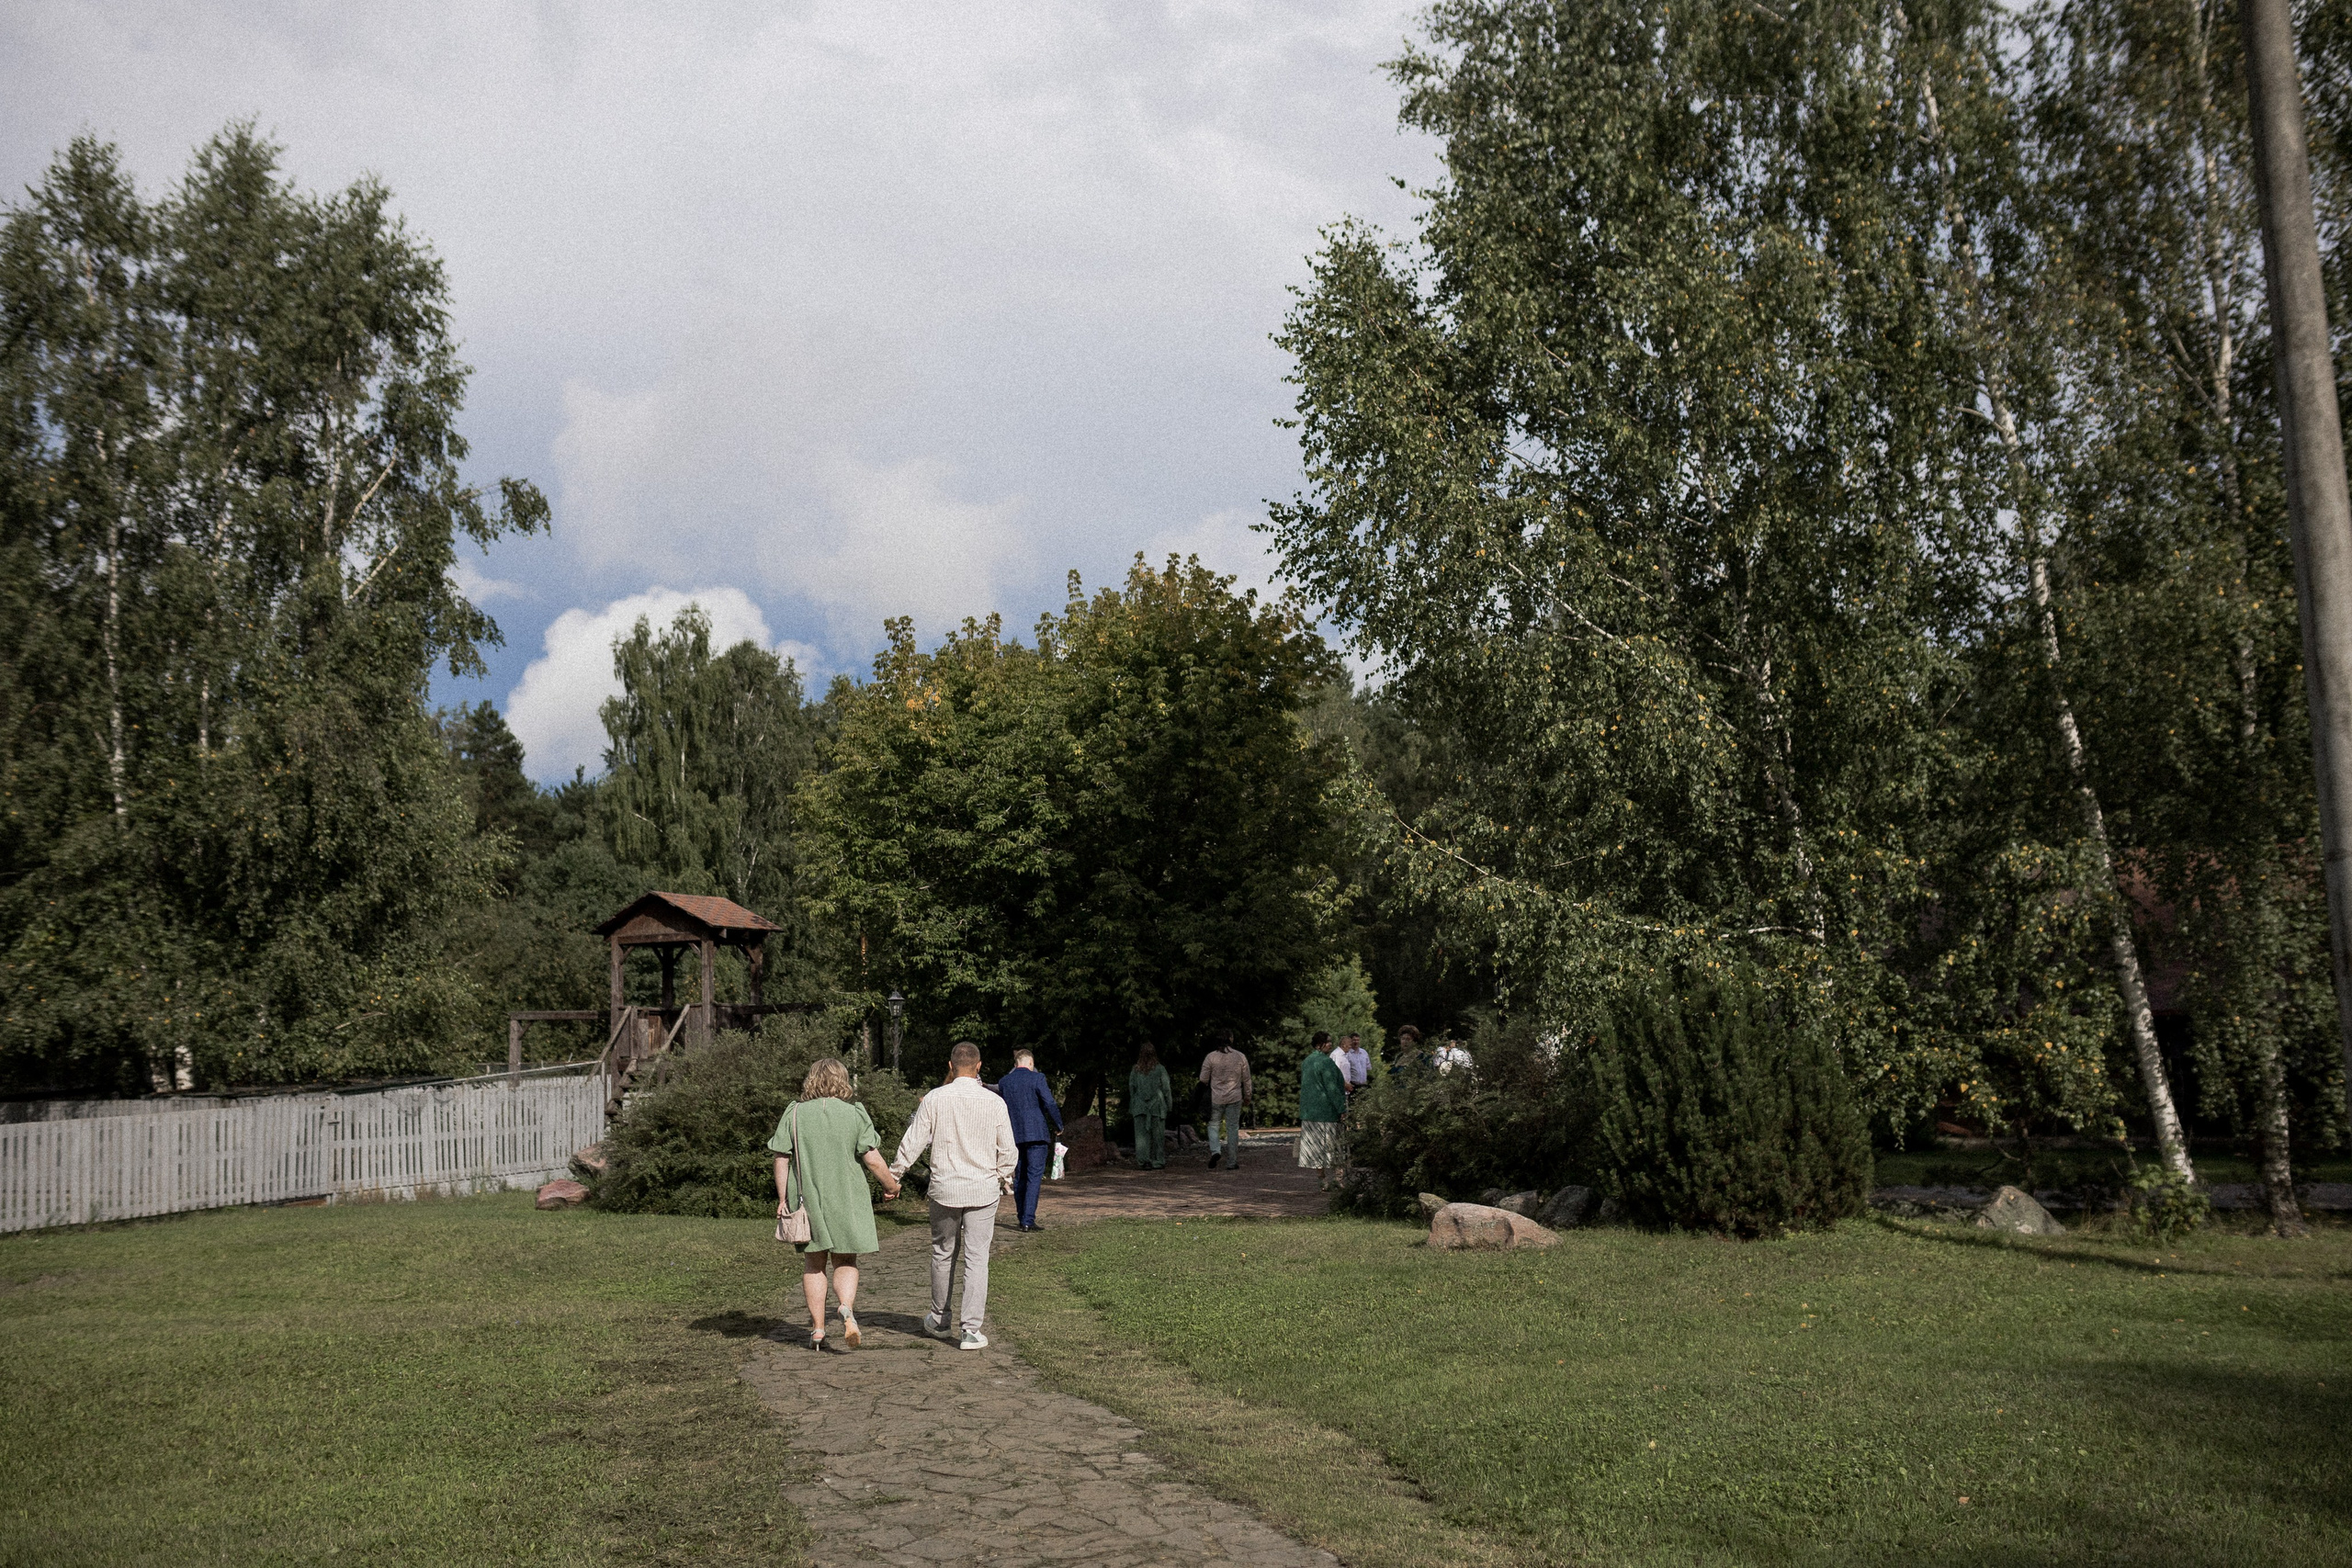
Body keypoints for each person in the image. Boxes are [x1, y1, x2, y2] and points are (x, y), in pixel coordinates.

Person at [768, 1056, 900, 1354]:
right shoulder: (855, 1114)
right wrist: (891, 1186)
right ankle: (845, 1308)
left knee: (814, 1263)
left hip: (806, 1198)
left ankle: (817, 1329)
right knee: (846, 1261)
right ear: (843, 1081)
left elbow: (781, 1158)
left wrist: (781, 1199)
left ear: (811, 1081)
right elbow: (872, 1158)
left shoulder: (795, 1113)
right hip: (848, 1197)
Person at [890, 1041, 1017, 1350]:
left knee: (943, 1252)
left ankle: (939, 1318)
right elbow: (1009, 1150)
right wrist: (1003, 1176)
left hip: (945, 1187)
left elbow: (914, 1139)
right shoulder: (994, 1102)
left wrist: (894, 1175)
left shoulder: (935, 1099)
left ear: (950, 1066)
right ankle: (971, 1329)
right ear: (978, 1066)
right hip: (983, 1189)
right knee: (977, 1258)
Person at [995, 1047, 1063, 1232]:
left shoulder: (1005, 1082)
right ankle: (1028, 1219)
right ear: (1031, 1063)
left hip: (1013, 1134)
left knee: (1019, 1176)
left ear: (1016, 1064)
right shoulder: (1037, 1078)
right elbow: (1049, 1102)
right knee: (1034, 1176)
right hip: (1036, 1133)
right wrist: (1058, 1124)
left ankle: (1021, 1217)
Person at [1297, 1032, 1348, 1190]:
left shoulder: (1307, 1061)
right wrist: (1342, 1108)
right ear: (1320, 1044)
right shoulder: (1326, 1063)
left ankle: (1322, 1180)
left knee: (1316, 1149)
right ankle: (1339, 1180)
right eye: (1328, 1042)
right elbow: (1332, 1089)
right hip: (1327, 1112)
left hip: (1310, 1112)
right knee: (1336, 1148)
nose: (1330, 1044)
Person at [1197, 1029, 1251, 1170]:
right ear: (1231, 1040)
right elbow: (1247, 1079)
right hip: (1235, 1096)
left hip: (1216, 1097)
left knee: (1213, 1124)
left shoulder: (1211, 1057)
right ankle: (1232, 1162)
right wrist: (1248, 1096)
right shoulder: (1240, 1057)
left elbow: (1203, 1078)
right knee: (1232, 1128)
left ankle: (1215, 1151)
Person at [1127, 1044, 1171, 1169]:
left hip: (1140, 1105)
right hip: (1157, 1105)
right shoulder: (1160, 1069)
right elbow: (1166, 1088)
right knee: (1158, 1135)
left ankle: (1144, 1161)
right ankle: (1158, 1160)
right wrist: (1169, 1104)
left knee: (1141, 1135)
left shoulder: (1135, 1070)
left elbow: (1132, 1087)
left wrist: (1133, 1102)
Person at [1339, 1032, 1371, 1097]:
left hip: (1364, 1085)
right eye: (1354, 1040)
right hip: (1353, 1086)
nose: (1356, 1042)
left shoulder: (1364, 1053)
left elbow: (1368, 1067)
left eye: (1357, 1040)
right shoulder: (1347, 1054)